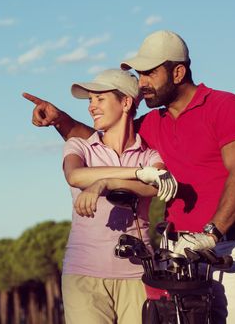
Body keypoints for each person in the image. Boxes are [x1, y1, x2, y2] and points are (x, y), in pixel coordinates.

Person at [23, 30, 235, 324]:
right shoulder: (151, 123)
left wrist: (211, 235)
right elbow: (101, 137)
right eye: (139, 74)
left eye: (150, 73)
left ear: (178, 72)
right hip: (174, 256)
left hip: (224, 249)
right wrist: (60, 119)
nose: (142, 83)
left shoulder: (224, 106)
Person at [59, 68, 177, 324]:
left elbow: (156, 186)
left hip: (138, 276)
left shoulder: (150, 155)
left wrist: (106, 182)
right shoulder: (79, 146)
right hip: (83, 276)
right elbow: (76, 176)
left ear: (125, 102)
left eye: (99, 99)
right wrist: (136, 173)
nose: (91, 107)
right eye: (90, 100)